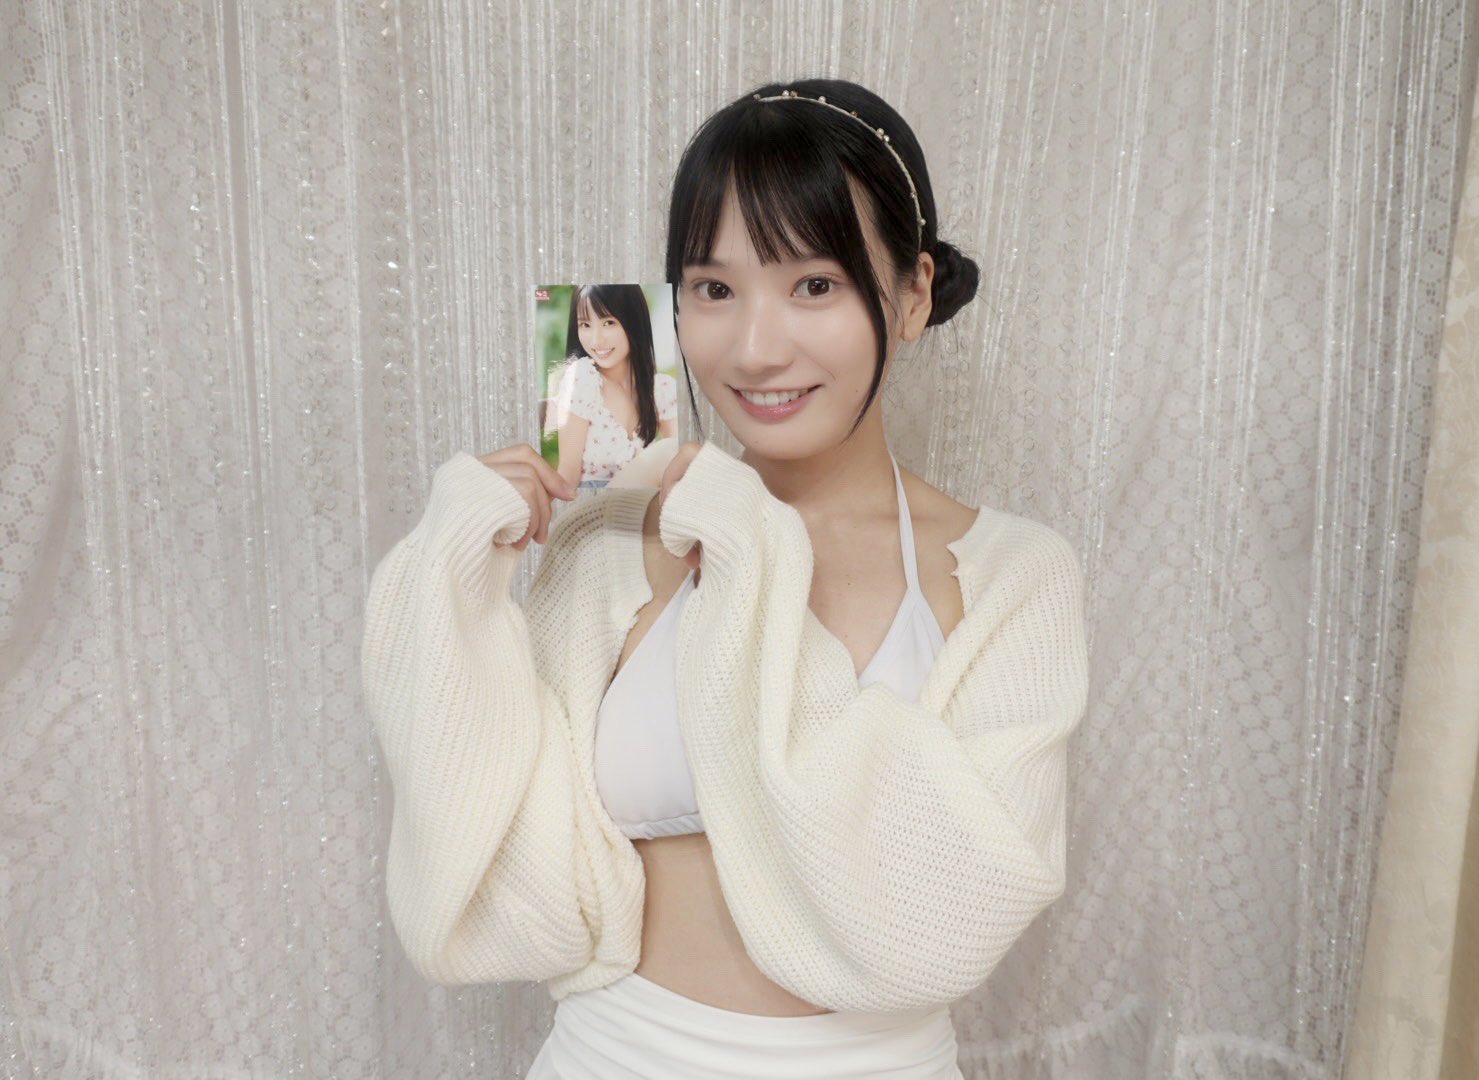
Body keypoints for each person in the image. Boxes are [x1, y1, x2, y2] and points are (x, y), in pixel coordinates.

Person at [360, 77, 1090, 1080]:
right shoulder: (608, 543)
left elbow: (953, 917)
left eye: (815, 286)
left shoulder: (1013, 575)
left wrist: (751, 554)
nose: (756, 348)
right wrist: (451, 581)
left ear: (913, 293)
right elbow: (503, 899)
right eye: (713, 289)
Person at [552, 284, 678, 492]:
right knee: (669, 450)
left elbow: (683, 463)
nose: (596, 340)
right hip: (597, 502)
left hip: (643, 502)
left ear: (633, 322)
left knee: (678, 453)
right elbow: (568, 476)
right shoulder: (582, 379)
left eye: (608, 323)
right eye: (585, 325)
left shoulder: (660, 389)